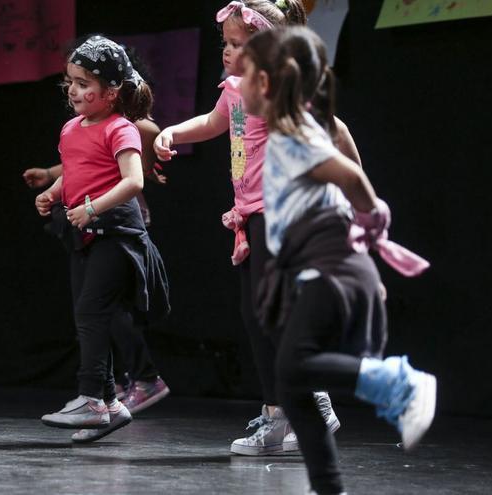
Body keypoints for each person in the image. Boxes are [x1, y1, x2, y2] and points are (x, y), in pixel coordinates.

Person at [239, 26, 434, 494]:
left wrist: (371, 224)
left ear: (266, 83)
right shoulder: (296, 130)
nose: (235, 81)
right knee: (292, 381)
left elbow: (350, 176)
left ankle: (400, 383)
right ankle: (330, 487)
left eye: (243, 72)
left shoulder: (292, 133)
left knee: (295, 370)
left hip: (332, 266)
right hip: (325, 267)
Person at [154, 0, 350, 455]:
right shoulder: (235, 90)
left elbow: (334, 130)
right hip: (249, 214)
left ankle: (310, 401)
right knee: (255, 314)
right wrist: (173, 133)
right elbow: (212, 122)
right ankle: (280, 415)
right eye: (225, 43)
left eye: (237, 44)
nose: (226, 51)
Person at [35, 35, 170, 443]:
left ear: (111, 93)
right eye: (70, 82)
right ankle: (110, 405)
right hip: (84, 234)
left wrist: (93, 208)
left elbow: (133, 180)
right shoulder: (71, 128)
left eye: (82, 83)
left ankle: (91, 398)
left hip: (117, 233)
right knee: (86, 314)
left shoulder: (121, 129)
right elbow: (76, 172)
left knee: (93, 312)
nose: (73, 90)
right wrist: (52, 193)